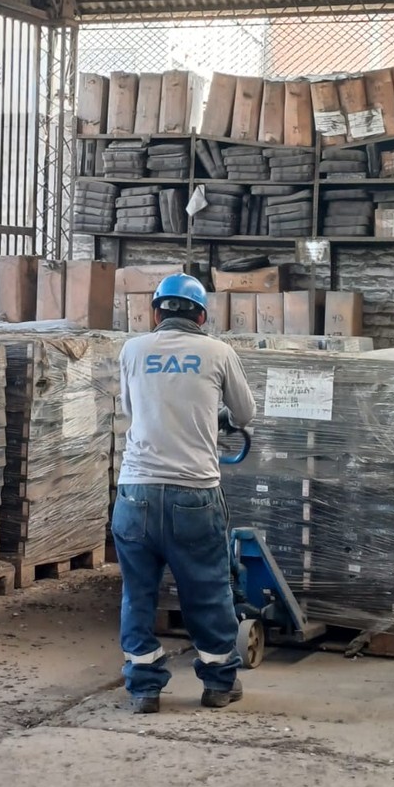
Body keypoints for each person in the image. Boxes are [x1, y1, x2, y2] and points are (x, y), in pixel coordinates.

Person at [112, 274, 256, 713]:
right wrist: (217, 416)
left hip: (135, 493)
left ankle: (144, 689)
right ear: (202, 316)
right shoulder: (218, 352)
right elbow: (246, 412)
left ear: (156, 313)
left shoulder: (132, 350)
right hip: (193, 493)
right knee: (208, 590)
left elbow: (131, 410)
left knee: (138, 594)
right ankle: (217, 683)